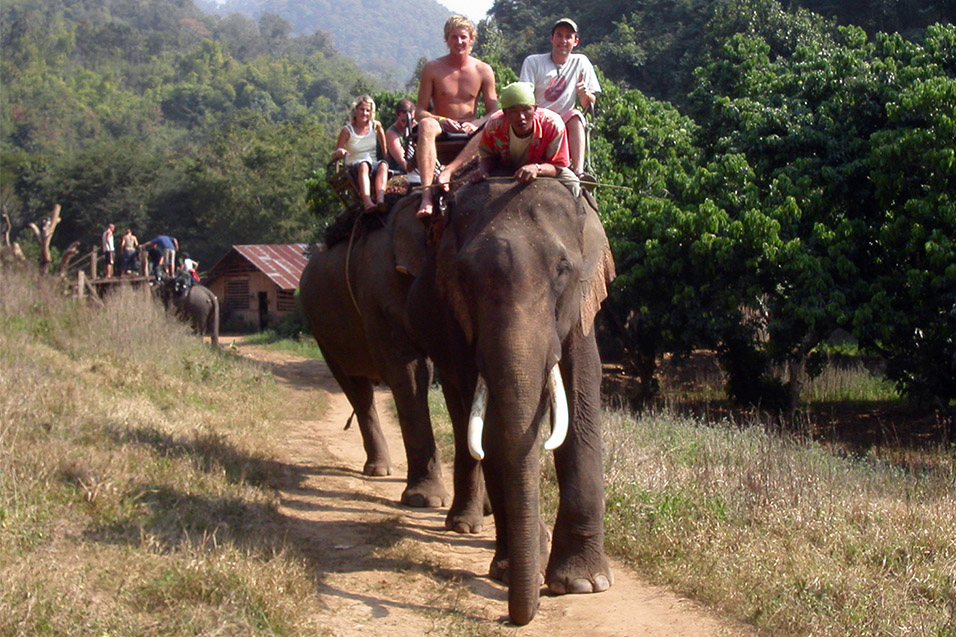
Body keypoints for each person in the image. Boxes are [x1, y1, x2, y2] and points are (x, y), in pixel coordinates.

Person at [414, 14, 498, 218]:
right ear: (447, 39)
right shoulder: (432, 68)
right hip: (442, 125)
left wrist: (476, 123)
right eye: (454, 37)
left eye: (463, 37)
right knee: (425, 124)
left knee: (492, 125)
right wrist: (442, 120)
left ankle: (448, 171)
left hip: (471, 128)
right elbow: (419, 111)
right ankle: (426, 197)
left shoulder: (483, 70)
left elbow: (494, 111)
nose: (459, 42)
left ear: (471, 39)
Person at [519, 17, 601, 176]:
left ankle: (579, 173)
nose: (563, 40)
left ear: (576, 41)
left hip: (564, 120)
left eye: (568, 36)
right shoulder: (533, 62)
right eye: (559, 35)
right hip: (538, 120)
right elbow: (524, 97)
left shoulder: (581, 62)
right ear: (552, 38)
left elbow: (588, 104)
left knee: (576, 116)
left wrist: (585, 94)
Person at [470, 82, 579, 197]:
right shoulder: (494, 125)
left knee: (574, 186)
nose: (521, 117)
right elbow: (488, 155)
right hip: (504, 166)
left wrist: (537, 168)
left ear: (535, 109)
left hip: (543, 167)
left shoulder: (552, 125)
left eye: (526, 109)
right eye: (513, 111)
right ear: (505, 113)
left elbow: (558, 166)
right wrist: (483, 170)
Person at [331, 94, 388, 212]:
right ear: (355, 111)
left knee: (383, 165)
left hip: (372, 163)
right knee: (364, 165)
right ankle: (367, 202)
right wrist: (340, 152)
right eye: (362, 109)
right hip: (355, 165)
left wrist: (385, 152)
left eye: (368, 110)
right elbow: (335, 152)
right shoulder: (347, 130)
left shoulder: (375, 126)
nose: (365, 113)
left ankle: (380, 199)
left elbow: (381, 133)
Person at [385, 98, 416, 174]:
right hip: (399, 170)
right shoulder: (391, 133)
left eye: (412, 120)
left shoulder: (418, 126)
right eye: (403, 121)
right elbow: (402, 162)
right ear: (397, 116)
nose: (409, 124)